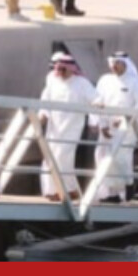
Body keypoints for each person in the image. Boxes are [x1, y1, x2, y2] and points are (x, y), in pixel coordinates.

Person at [37, 52, 96, 200]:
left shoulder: (82, 83)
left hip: (72, 128)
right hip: (54, 127)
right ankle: (59, 191)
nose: (60, 72)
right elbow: (45, 102)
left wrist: (94, 120)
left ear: (71, 69)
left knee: (62, 158)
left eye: (63, 69)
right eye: (58, 69)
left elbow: (95, 99)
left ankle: (62, 191)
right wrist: (41, 117)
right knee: (50, 158)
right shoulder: (52, 82)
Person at [91, 53, 138, 201]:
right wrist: (102, 124)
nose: (115, 66)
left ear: (125, 64)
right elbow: (98, 102)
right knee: (103, 158)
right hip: (107, 127)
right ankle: (111, 194)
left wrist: (124, 120)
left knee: (121, 158)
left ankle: (129, 184)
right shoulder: (104, 80)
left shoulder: (135, 82)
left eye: (118, 63)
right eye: (113, 63)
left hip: (127, 127)